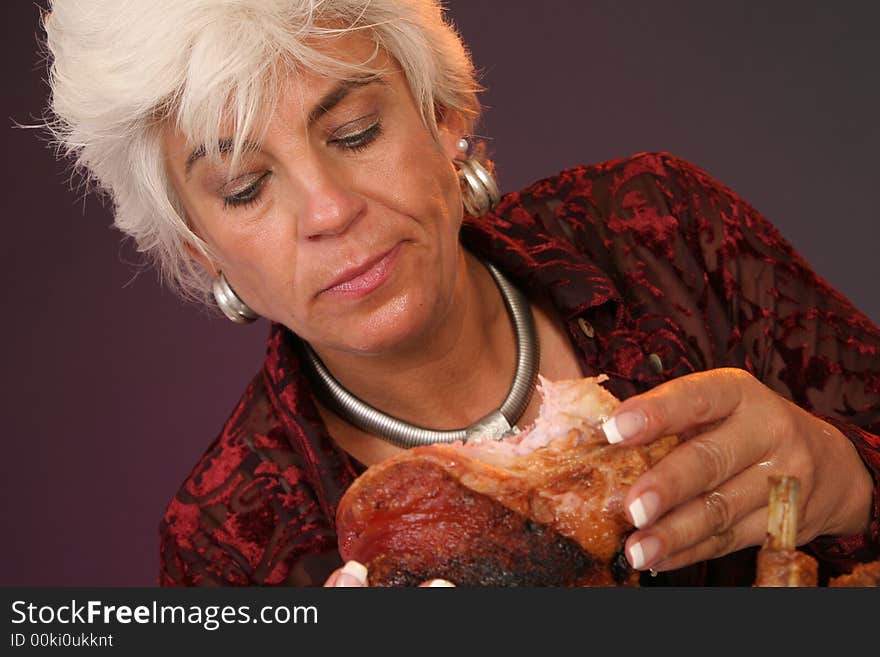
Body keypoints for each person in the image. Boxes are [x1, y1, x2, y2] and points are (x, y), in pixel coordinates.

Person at [41, 0, 879, 587]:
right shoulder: (227, 547)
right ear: (201, 250)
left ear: (442, 116)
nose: (330, 210)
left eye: (354, 133)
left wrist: (851, 479)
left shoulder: (662, 231)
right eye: (245, 186)